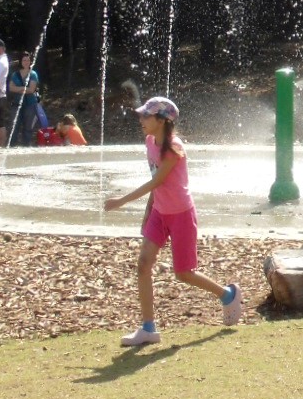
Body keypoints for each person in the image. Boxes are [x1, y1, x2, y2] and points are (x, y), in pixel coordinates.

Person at [104, 96, 245, 345]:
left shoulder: (174, 149)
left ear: (161, 120)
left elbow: (157, 181)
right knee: (143, 264)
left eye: (146, 116)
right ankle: (148, 328)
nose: (141, 119)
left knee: (184, 273)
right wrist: (148, 213)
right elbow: (155, 184)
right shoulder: (149, 142)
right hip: (160, 212)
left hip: (181, 215)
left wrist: (120, 201)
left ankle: (227, 294)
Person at [8, 51, 42, 145]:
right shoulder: (15, 74)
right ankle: (12, 146)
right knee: (14, 127)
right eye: (24, 60)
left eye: (28, 60)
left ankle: (26, 146)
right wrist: (24, 88)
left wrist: (18, 89)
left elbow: (31, 90)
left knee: (28, 127)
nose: (26, 62)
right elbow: (11, 88)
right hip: (17, 104)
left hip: (30, 104)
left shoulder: (33, 74)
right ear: (21, 61)